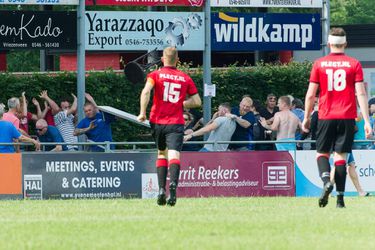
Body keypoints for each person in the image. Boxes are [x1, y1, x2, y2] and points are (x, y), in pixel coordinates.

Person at [302, 27, 372, 208]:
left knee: (322, 154)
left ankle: (326, 181)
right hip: (347, 116)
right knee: (341, 157)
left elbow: (310, 95)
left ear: (329, 43)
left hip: (326, 115)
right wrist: (366, 121)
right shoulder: (354, 64)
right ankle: (340, 200)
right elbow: (361, 94)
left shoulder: (319, 64)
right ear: (345, 44)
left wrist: (307, 116)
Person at [137, 47, 201, 207]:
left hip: (157, 121)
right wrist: (181, 103)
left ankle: (160, 189)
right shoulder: (185, 78)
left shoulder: (155, 75)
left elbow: (146, 92)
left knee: (161, 154)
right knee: (174, 155)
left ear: (163, 59)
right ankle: (173, 185)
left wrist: (142, 112)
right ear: (177, 60)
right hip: (175, 122)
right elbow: (197, 102)